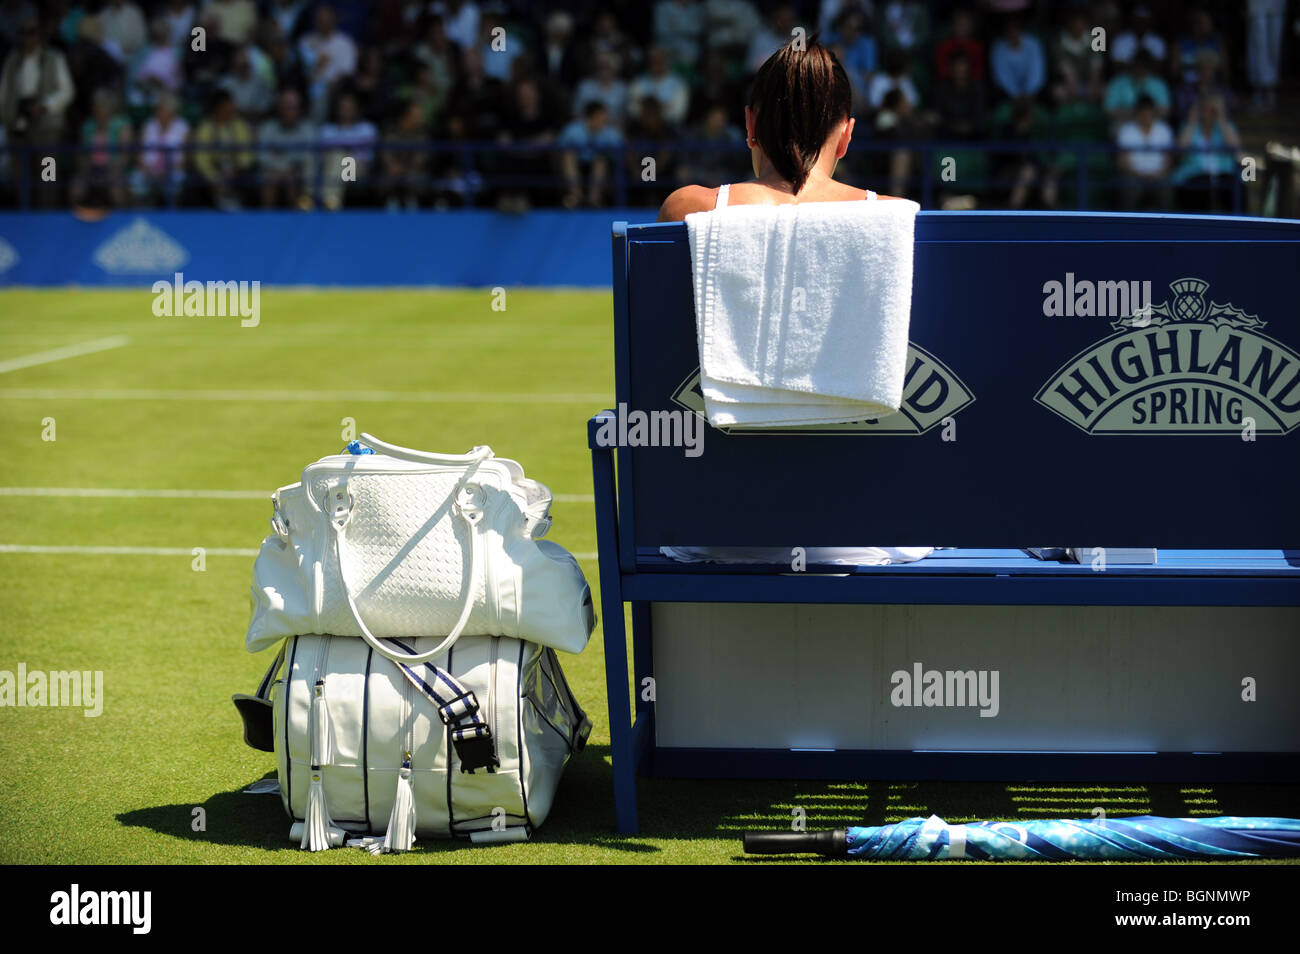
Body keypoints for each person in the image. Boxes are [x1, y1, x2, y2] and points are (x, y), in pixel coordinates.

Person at [656, 38, 927, 569]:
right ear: (846, 135)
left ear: (750, 124)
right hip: (871, 529)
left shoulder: (688, 212)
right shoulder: (900, 224)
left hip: (715, 525)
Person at [1115, 94, 1174, 211]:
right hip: (1134, 177)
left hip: (1159, 177)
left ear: (1153, 112)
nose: (1145, 116)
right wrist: (1140, 176)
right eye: (1142, 112)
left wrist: (1158, 174)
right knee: (1129, 188)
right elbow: (1122, 162)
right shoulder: (1126, 131)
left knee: (1166, 188)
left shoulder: (1164, 130)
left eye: (1148, 112)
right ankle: (1127, 225)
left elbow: (1168, 159)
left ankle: (1169, 226)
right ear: (1137, 113)